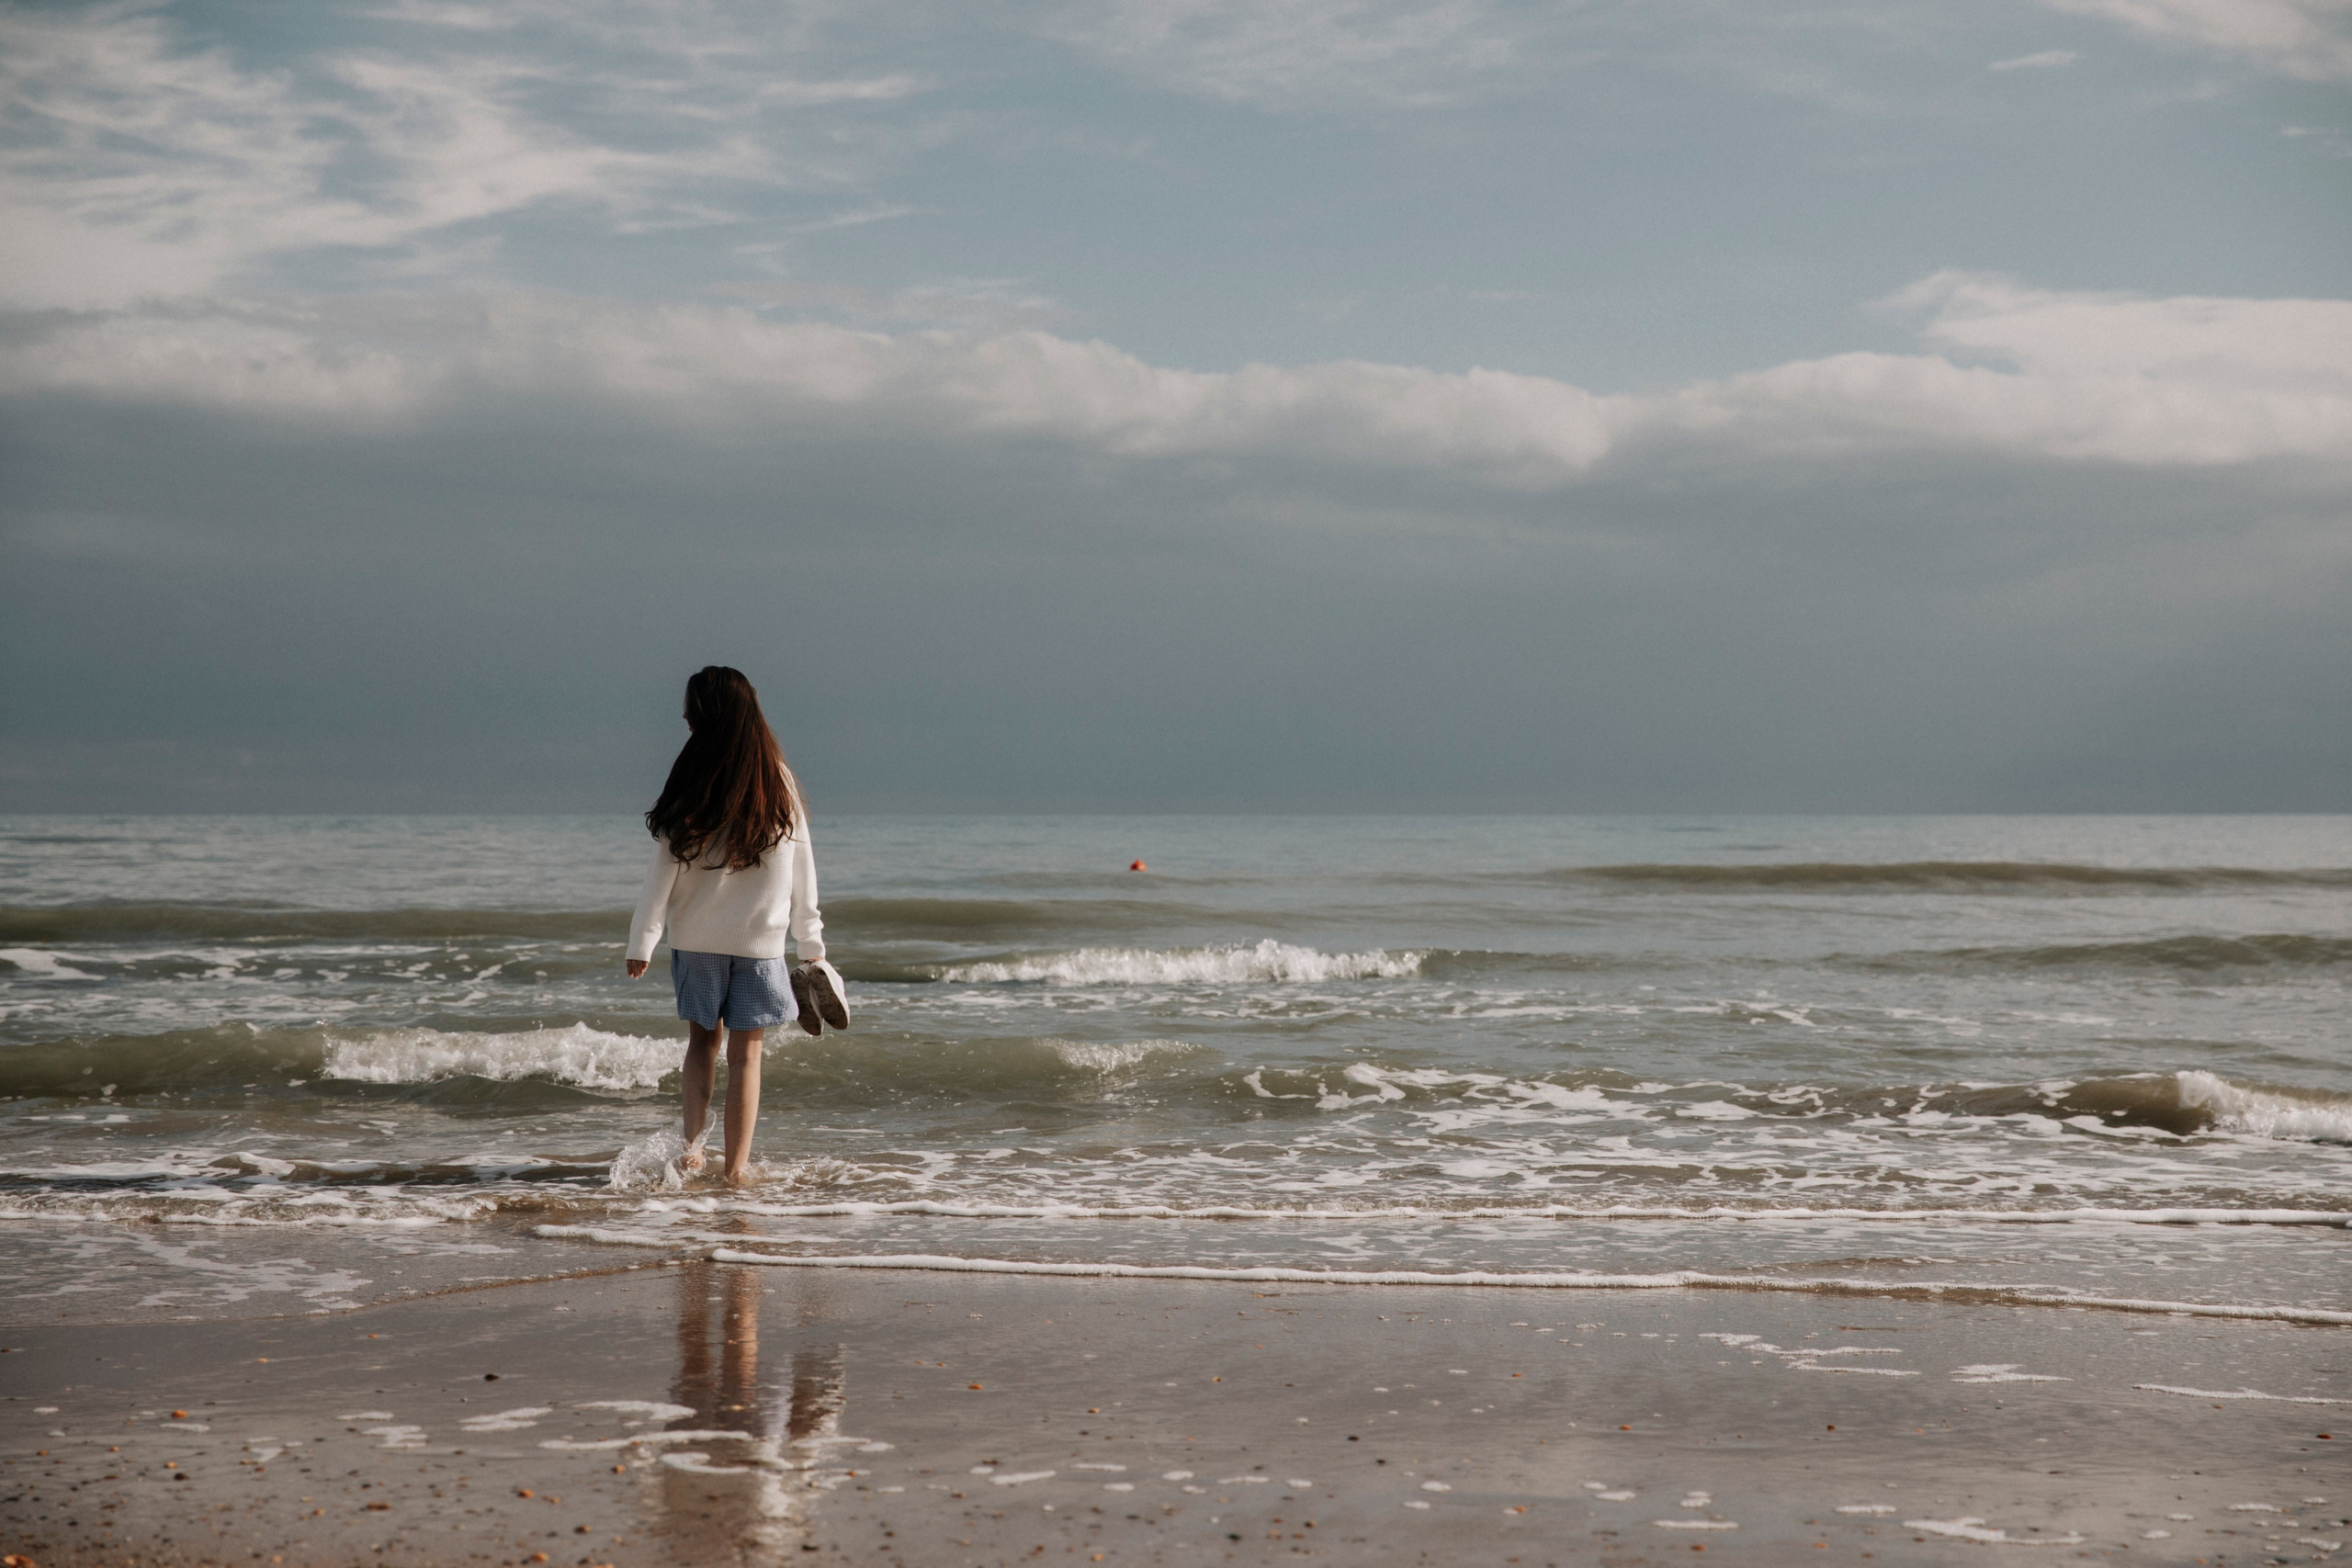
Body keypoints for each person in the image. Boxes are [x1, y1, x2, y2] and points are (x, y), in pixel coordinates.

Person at [625, 666, 844, 1185]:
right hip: (761, 946)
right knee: (748, 1055)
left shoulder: (693, 775)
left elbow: (664, 867)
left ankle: (694, 1151)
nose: (682, 715)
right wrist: (810, 944)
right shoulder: (778, 780)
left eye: (690, 707)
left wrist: (644, 938)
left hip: (697, 942)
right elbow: (802, 869)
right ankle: (737, 1170)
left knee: (704, 1043)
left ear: (708, 714)